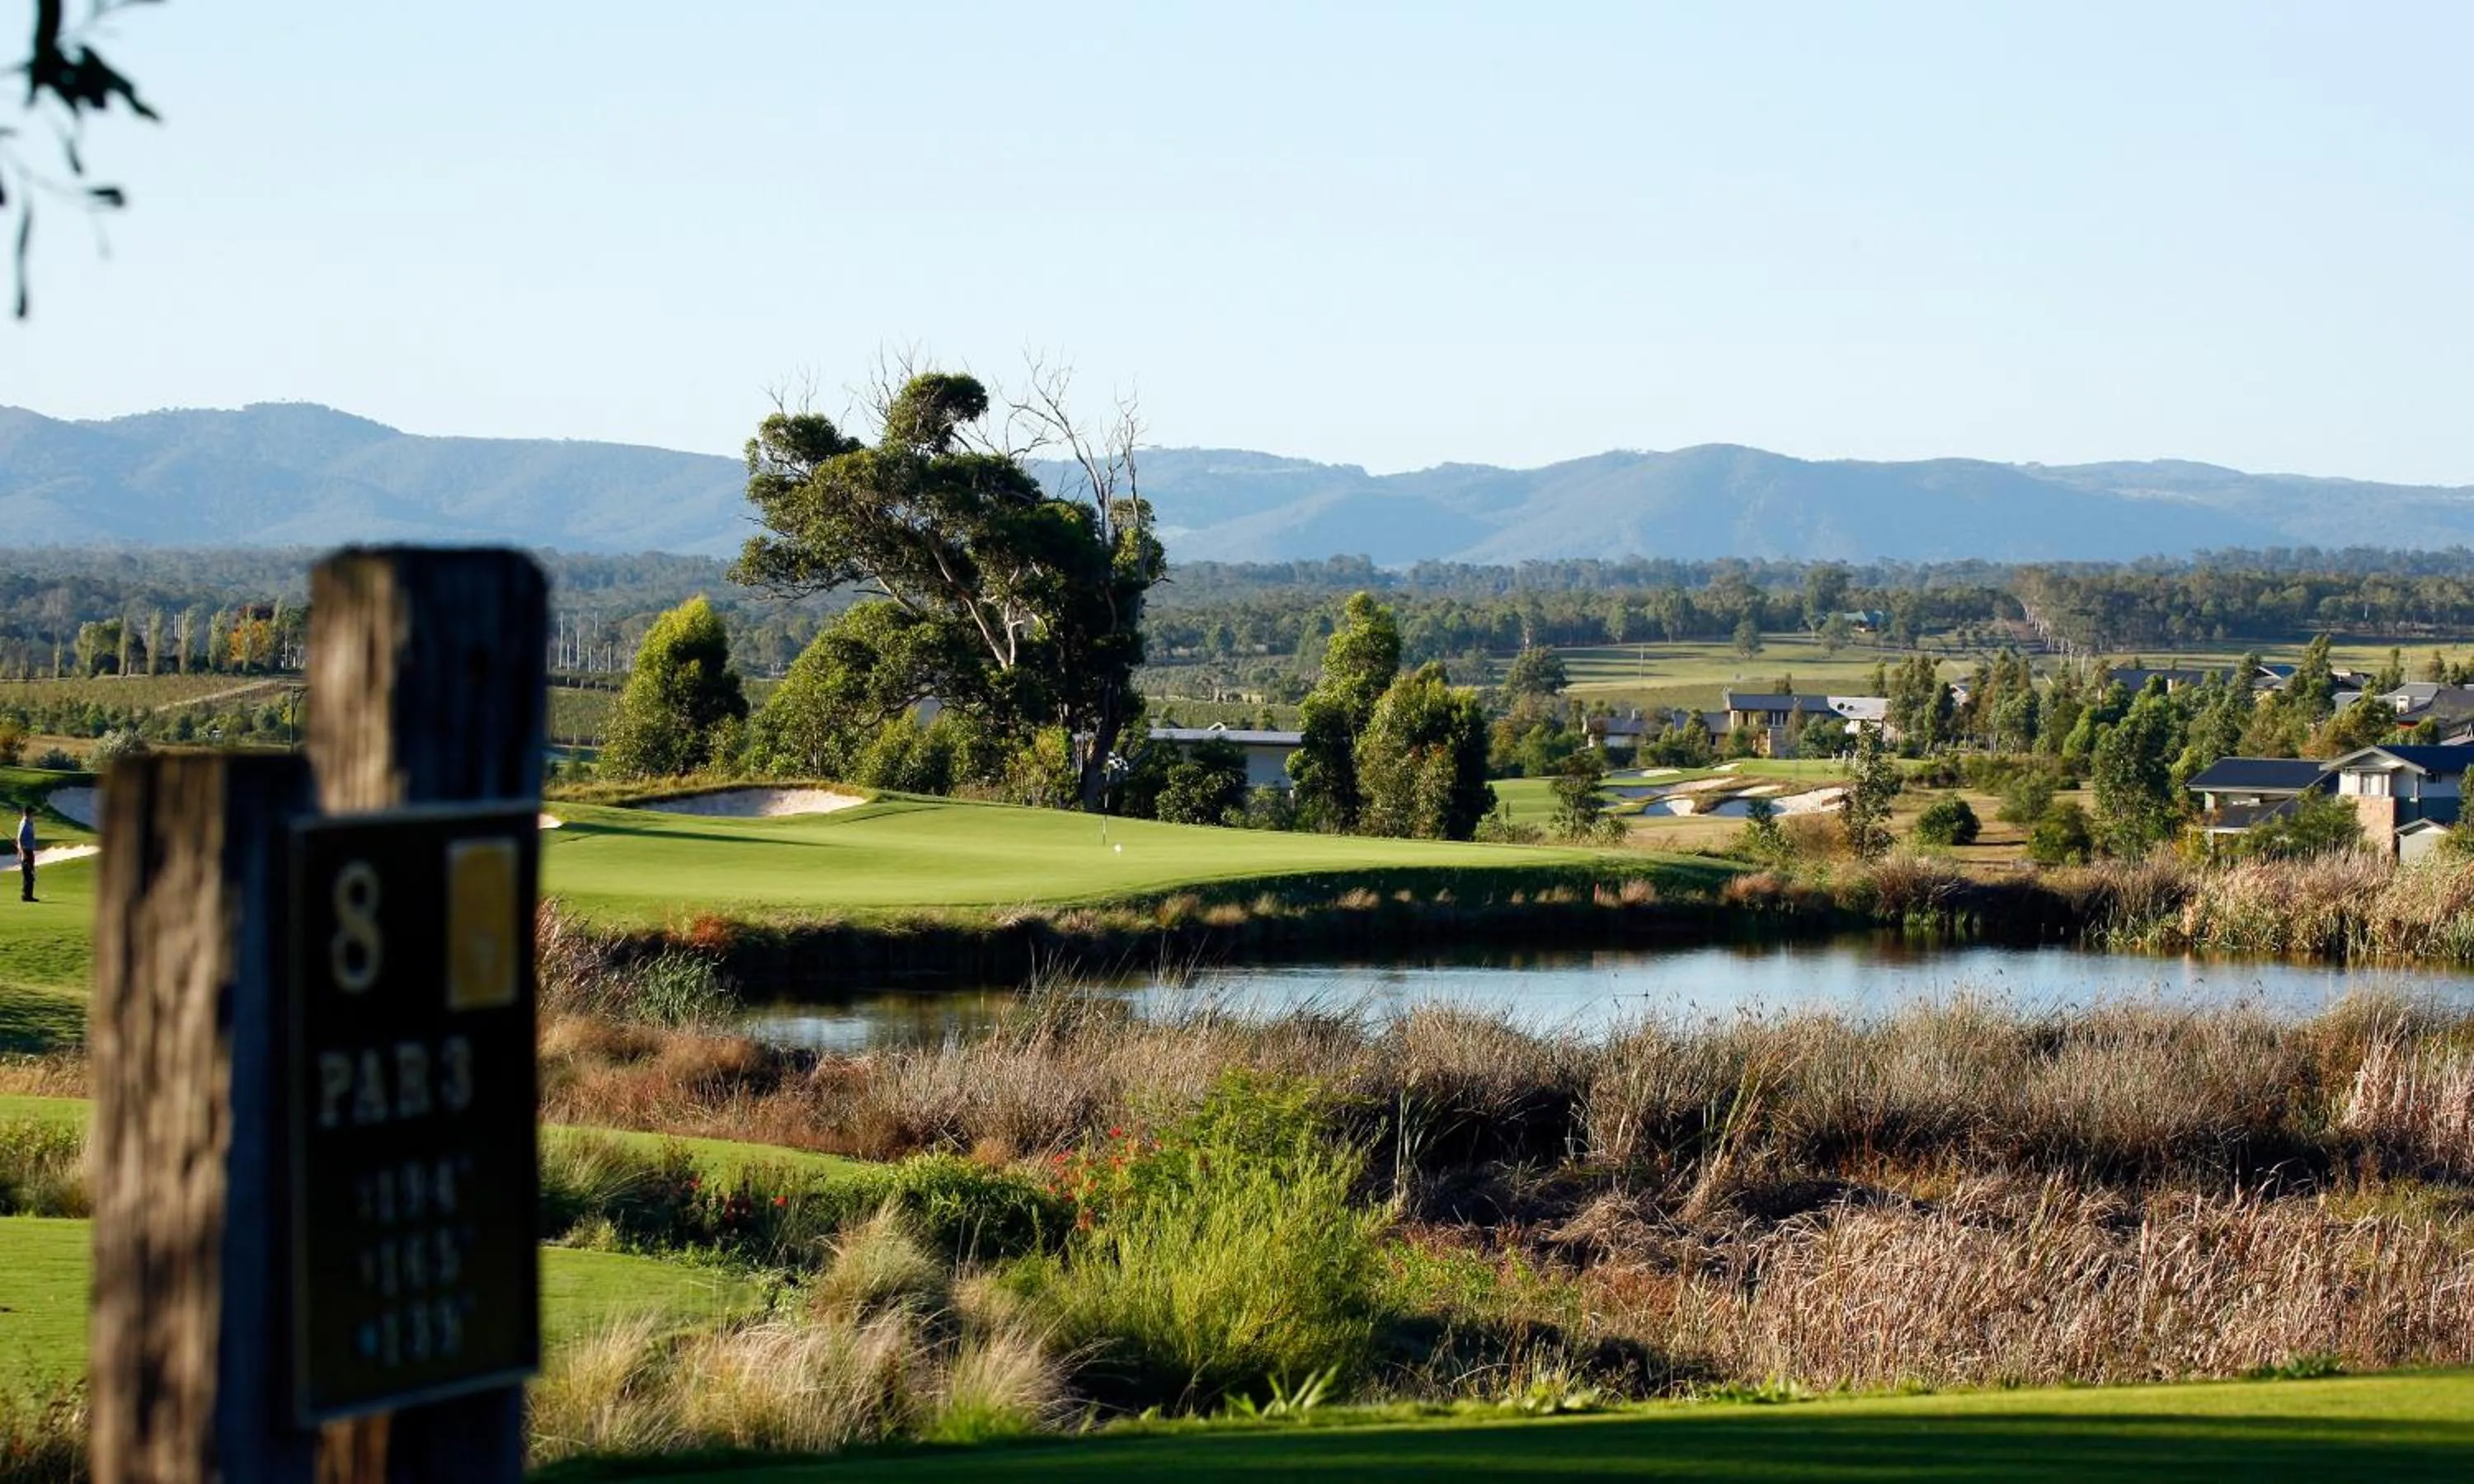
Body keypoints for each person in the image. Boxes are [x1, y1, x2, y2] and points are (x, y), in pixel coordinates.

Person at [16, 805, 34, 904]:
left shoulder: (30, 823)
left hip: (30, 850)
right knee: (28, 874)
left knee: (31, 873)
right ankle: (26, 896)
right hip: (26, 851)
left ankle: (30, 895)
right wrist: (22, 853)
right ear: (28, 814)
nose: (33, 815)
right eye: (32, 813)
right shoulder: (24, 823)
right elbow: (19, 839)